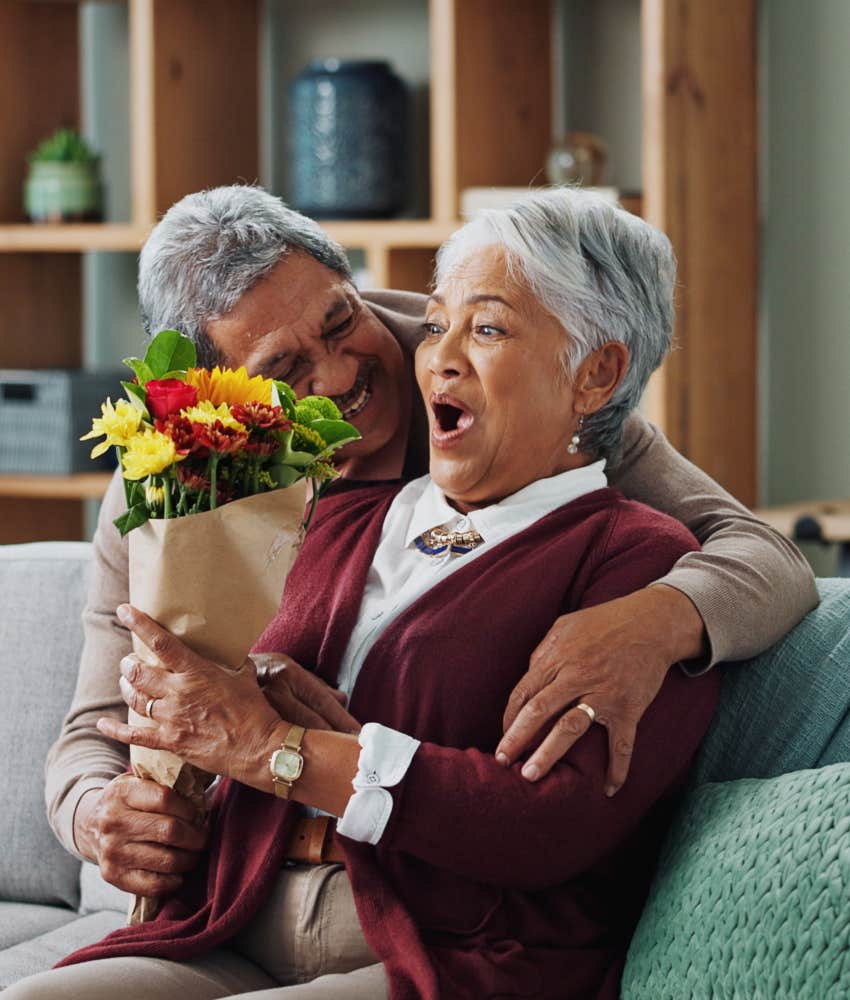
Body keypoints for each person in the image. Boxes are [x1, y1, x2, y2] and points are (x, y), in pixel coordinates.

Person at [16, 187, 720, 1000]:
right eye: (438, 320)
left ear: (594, 372)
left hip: (442, 939)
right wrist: (125, 795)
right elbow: (113, 718)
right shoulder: (305, 501)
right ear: (225, 400)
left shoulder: (635, 556)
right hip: (232, 911)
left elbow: (551, 824)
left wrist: (267, 746)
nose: (429, 356)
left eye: (485, 328)